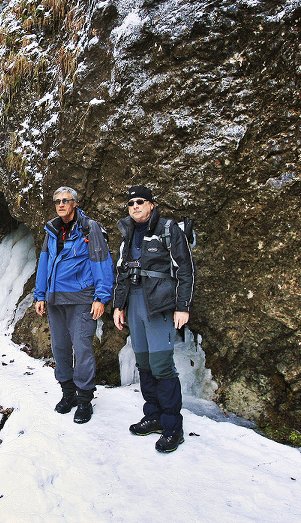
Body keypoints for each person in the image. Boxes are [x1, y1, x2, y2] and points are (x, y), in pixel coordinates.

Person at [112, 185, 195, 453]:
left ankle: (173, 427)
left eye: (140, 202)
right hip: (134, 302)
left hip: (159, 305)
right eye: (131, 203)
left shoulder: (169, 230)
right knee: (144, 364)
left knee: (161, 365)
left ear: (151, 204)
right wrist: (118, 306)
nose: (135, 206)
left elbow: (185, 270)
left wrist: (182, 307)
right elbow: (122, 273)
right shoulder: (127, 234)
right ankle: (154, 415)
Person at [34, 186, 114, 424]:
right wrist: (40, 295)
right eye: (57, 200)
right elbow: (44, 262)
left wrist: (101, 298)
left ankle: (85, 400)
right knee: (59, 348)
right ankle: (68, 394)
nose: (60, 204)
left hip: (81, 300)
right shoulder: (52, 230)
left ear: (75, 204)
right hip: (55, 299)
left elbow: (102, 263)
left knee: (82, 349)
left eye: (65, 200)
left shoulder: (90, 228)